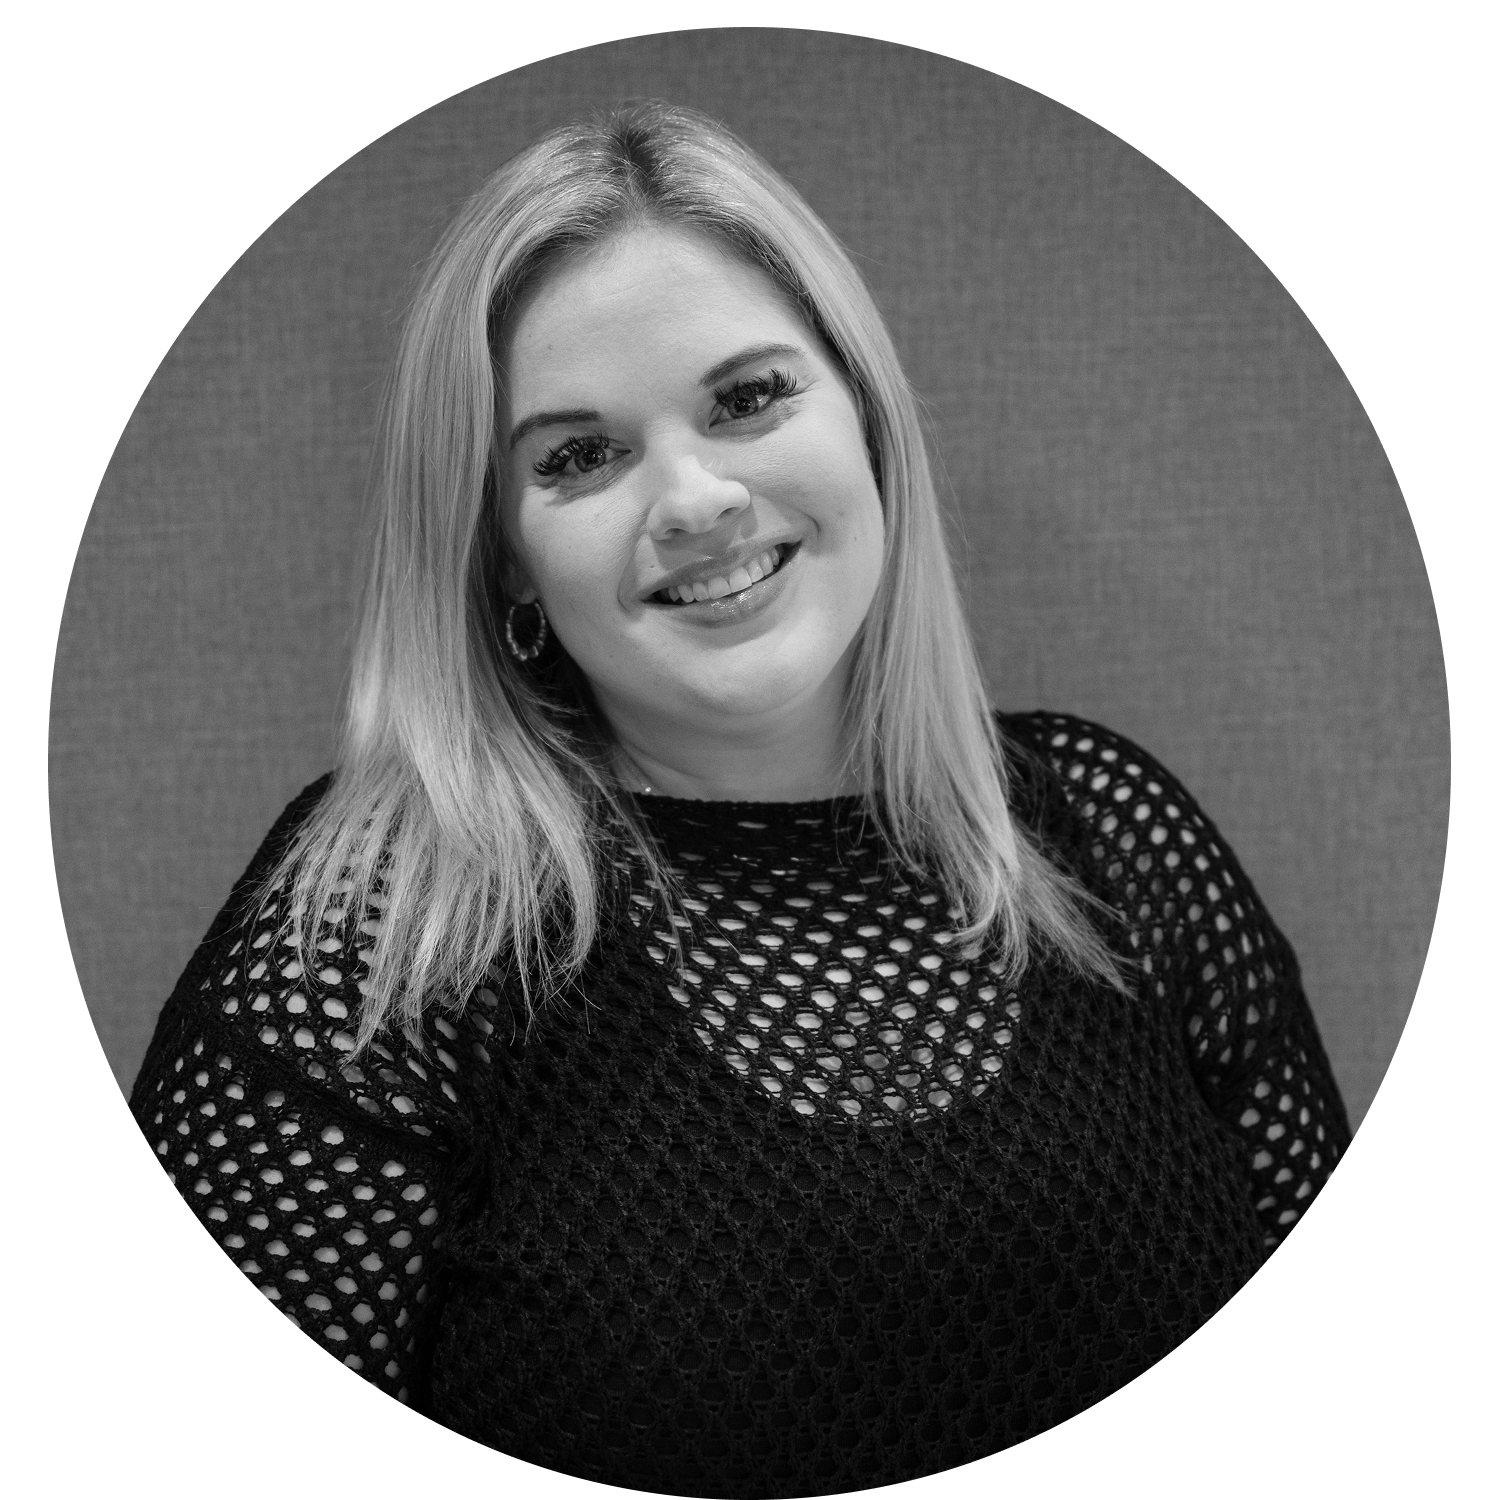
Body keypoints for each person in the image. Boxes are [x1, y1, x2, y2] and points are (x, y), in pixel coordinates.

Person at [128, 100, 1351, 1492]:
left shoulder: (1108, 834)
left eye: (749, 398)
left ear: (870, 420)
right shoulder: (389, 923)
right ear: (505, 561)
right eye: (578, 457)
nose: (696, 497)